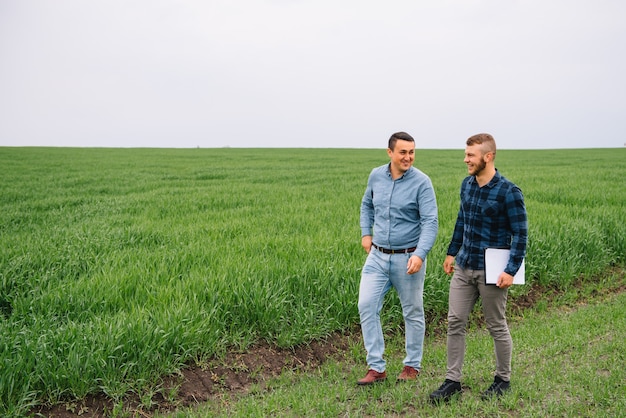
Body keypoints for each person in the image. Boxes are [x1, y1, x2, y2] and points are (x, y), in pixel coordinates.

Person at [430, 133, 528, 402]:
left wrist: (510, 270)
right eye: (466, 154)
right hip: (464, 266)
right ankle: (452, 382)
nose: (466, 159)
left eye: (470, 155)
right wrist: (451, 253)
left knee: (496, 324)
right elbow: (462, 220)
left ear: (488, 156)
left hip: (492, 272)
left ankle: (502, 379)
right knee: (454, 321)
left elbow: (520, 234)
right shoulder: (467, 185)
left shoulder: (509, 192)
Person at [357, 131, 438, 385]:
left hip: (408, 258)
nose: (408, 157)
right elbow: (366, 205)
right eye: (403, 152)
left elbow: (430, 222)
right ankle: (376, 368)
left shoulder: (422, 182)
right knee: (366, 305)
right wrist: (365, 233)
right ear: (390, 152)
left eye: (412, 152)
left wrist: (420, 254)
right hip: (377, 256)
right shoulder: (376, 176)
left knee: (412, 311)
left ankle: (412, 365)